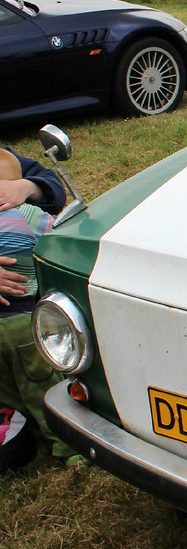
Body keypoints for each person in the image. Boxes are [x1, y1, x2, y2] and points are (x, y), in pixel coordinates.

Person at [0, 146, 79, 466]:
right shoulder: (31, 221)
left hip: (18, 316)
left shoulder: (8, 158)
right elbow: (61, 241)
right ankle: (65, 442)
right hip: (25, 321)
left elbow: (51, 186)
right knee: (40, 380)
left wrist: (26, 187)